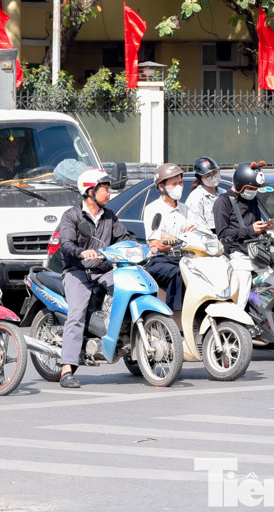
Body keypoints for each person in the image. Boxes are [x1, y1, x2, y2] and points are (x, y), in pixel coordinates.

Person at [55, 168, 132, 388]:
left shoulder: (109, 216)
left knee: (128, 288)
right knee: (76, 314)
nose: (109, 193)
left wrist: (138, 247)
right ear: (90, 192)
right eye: (105, 189)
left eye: (109, 189)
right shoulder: (72, 215)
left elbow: (125, 237)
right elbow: (66, 244)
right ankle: (66, 369)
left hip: (103, 270)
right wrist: (81, 252)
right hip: (77, 272)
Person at [213, 162, 274, 308]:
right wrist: (251, 230)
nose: (253, 192)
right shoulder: (223, 201)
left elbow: (255, 224)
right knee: (241, 298)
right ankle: (236, 319)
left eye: (255, 189)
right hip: (238, 255)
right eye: (250, 189)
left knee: (273, 285)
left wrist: (264, 227)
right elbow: (222, 233)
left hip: (257, 254)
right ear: (239, 184)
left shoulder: (252, 199)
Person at [143, 163, 190, 314]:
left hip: (184, 258)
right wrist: (182, 239)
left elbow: (193, 236)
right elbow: (157, 245)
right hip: (160, 260)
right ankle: (175, 317)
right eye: (174, 184)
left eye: (180, 183)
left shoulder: (186, 209)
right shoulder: (153, 209)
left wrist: (172, 239)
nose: (179, 187)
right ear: (161, 187)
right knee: (178, 273)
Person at [187, 156, 222, 235]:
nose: (213, 177)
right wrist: (213, 238)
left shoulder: (223, 193)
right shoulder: (196, 197)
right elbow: (199, 226)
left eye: (215, 173)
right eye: (208, 175)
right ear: (200, 178)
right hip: (207, 238)